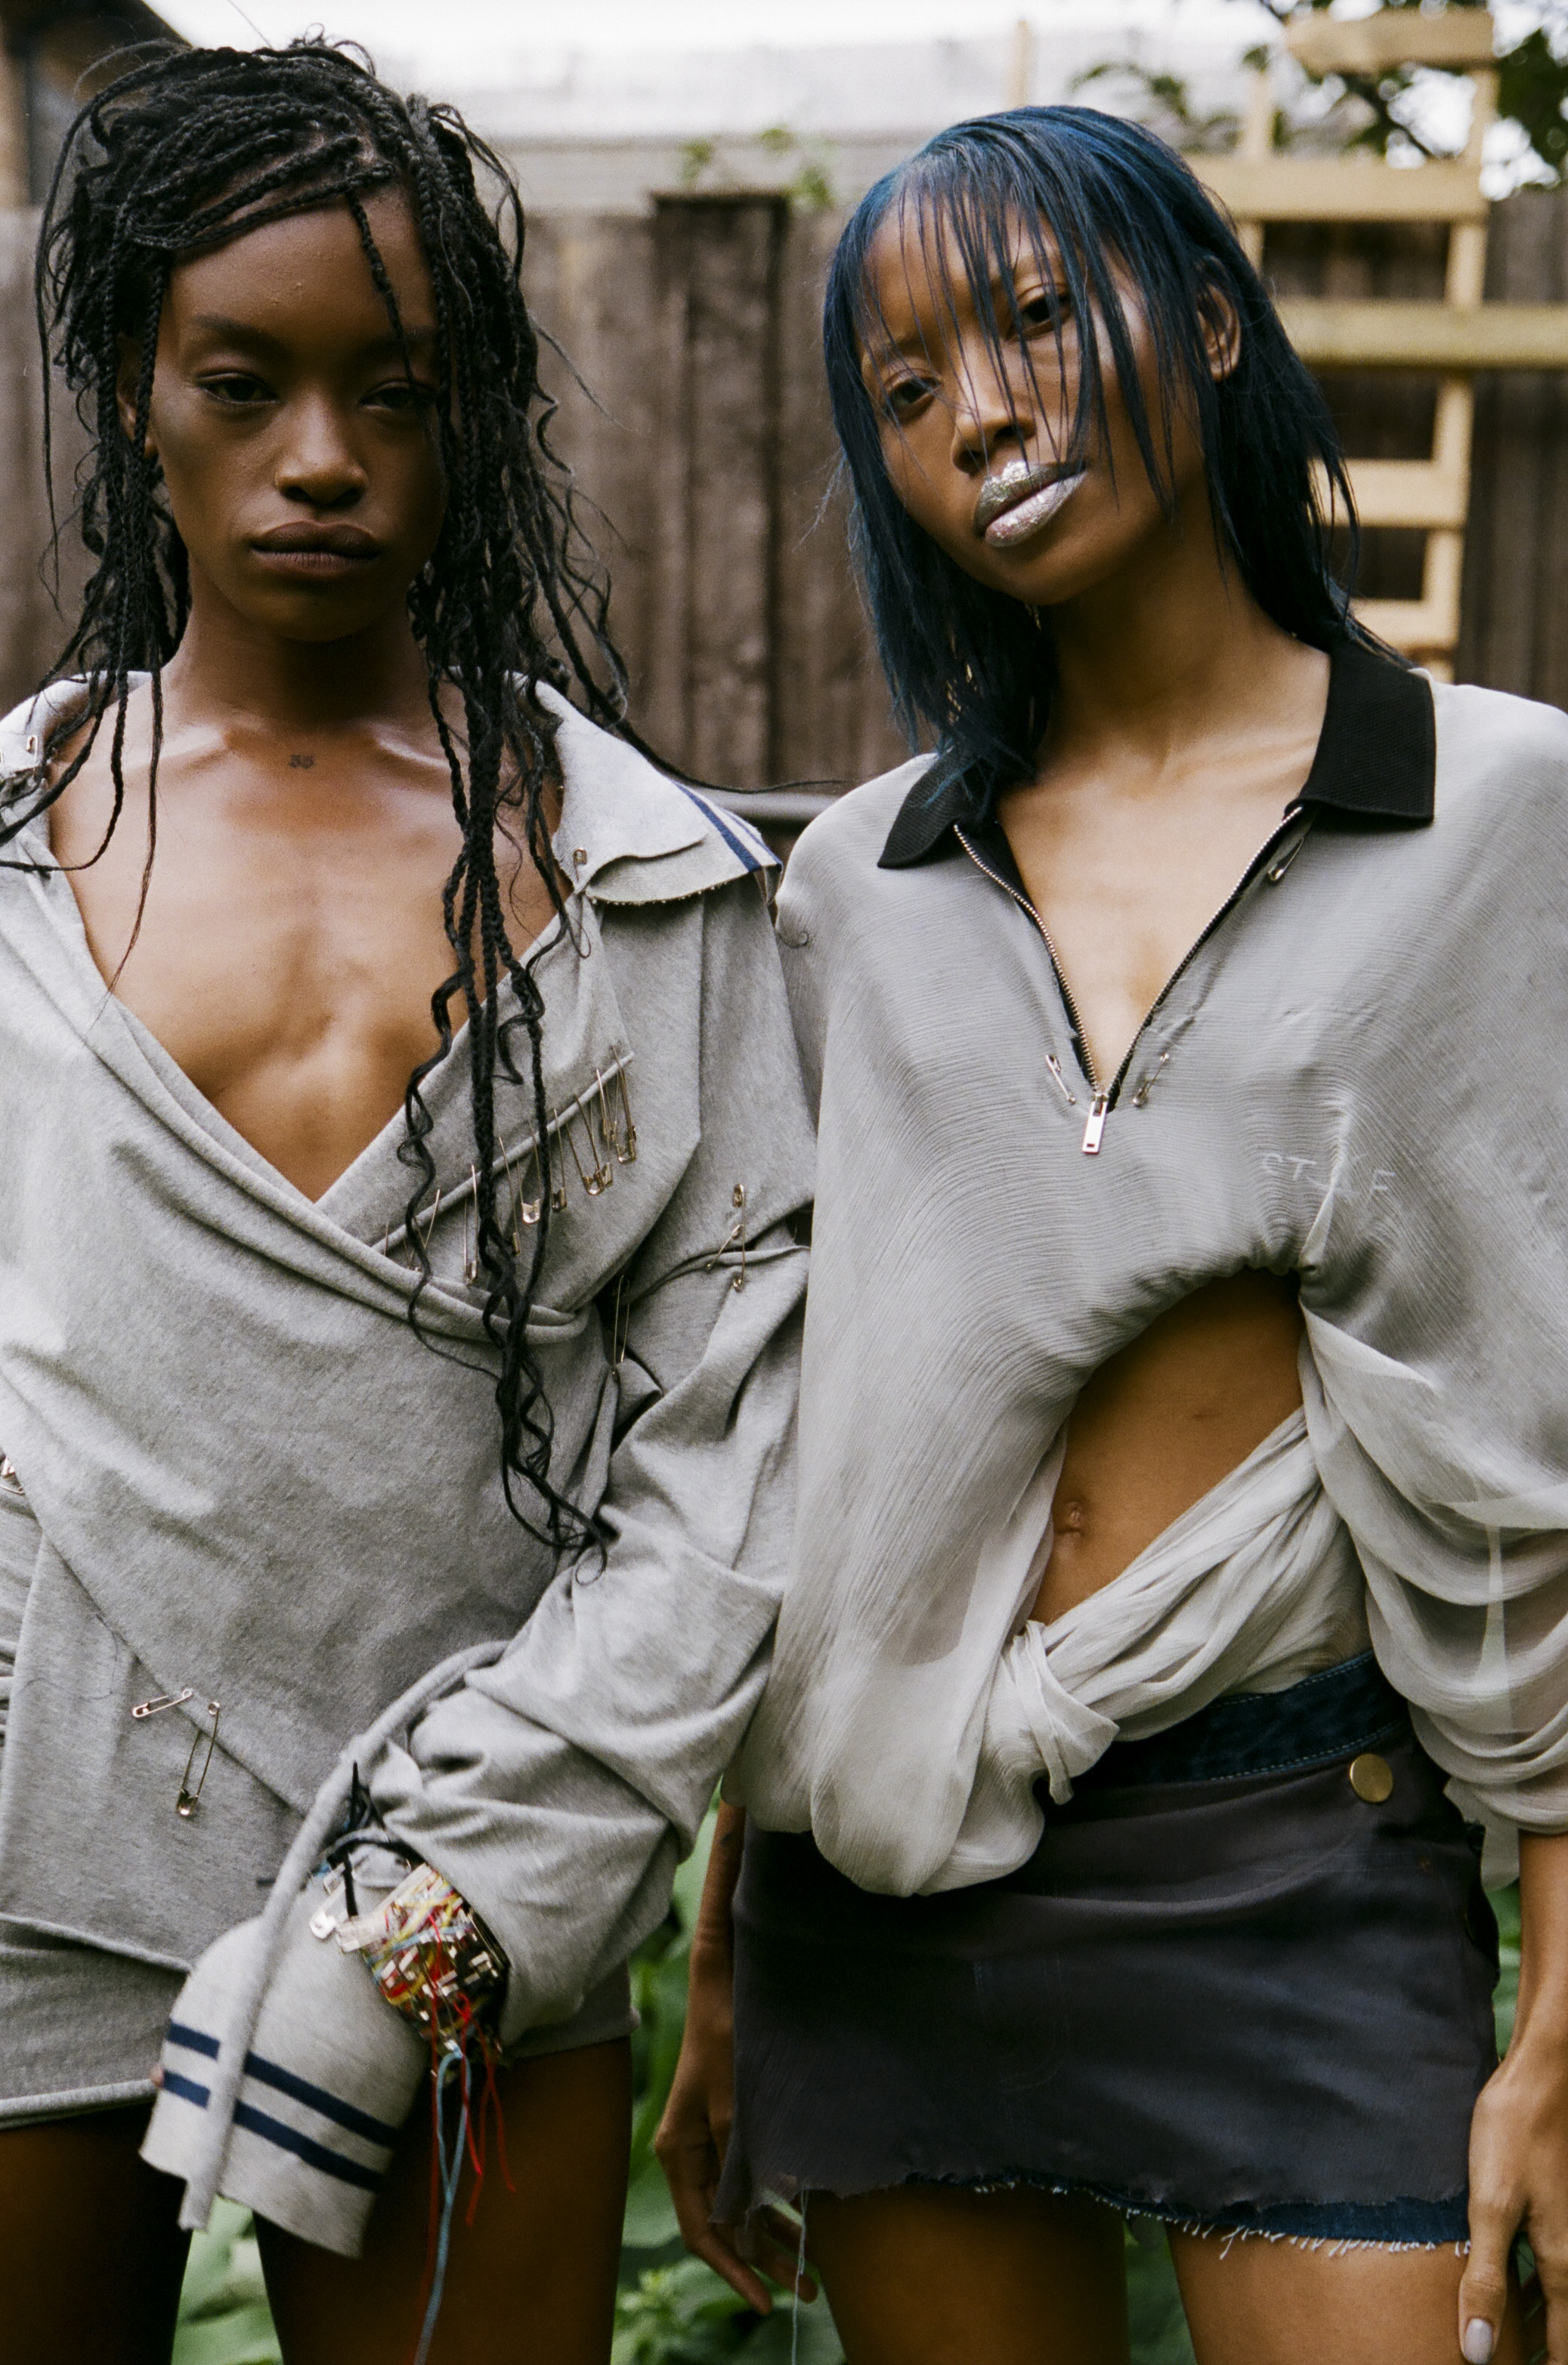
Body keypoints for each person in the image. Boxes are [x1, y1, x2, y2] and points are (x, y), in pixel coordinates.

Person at [657, 104, 1568, 2365]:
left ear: (1215, 322)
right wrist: (730, 1946)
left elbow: (1549, 1444)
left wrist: (1559, 2020)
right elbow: (816, 1433)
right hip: (886, 1880)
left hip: (1293, 1843)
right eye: (907, 388)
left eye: (1040, 316)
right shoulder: (858, 886)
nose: (981, 410)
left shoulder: (1493, 809)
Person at [0, 39, 812, 2365]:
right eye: (243, 382)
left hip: (468, 1864)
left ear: (474, 420)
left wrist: (471, 1882)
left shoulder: (638, 883)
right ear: (133, 392)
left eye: (396, 392)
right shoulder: (17, 860)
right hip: (31, 1849)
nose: (323, 457)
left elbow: (736, 1448)